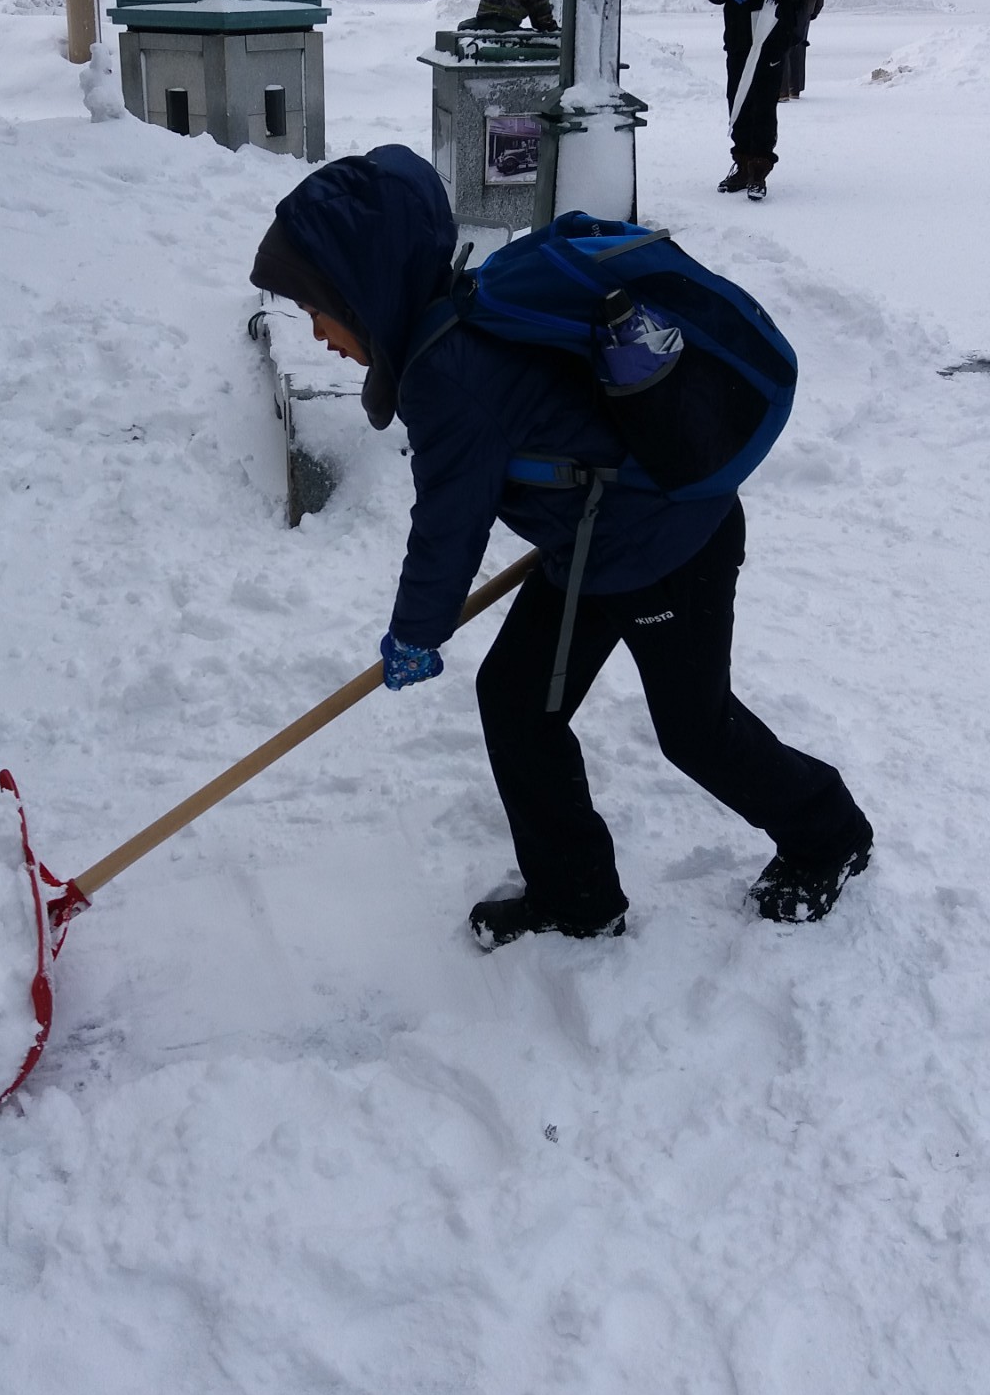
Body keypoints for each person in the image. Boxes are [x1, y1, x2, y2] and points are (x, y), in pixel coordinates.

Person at [250, 145, 874, 947]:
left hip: (665, 549)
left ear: (362, 292)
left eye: (318, 309)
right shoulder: (453, 322)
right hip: (595, 547)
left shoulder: (450, 376)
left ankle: (830, 834)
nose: (319, 334)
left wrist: (416, 631)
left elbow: (449, 525)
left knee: (695, 729)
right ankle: (576, 896)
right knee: (516, 701)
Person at [702, 0, 812, 201]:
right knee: (737, 98)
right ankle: (741, 161)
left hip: (770, 36)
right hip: (738, 36)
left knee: (763, 102)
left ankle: (759, 169)